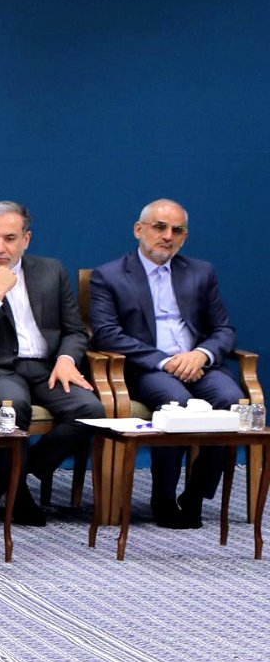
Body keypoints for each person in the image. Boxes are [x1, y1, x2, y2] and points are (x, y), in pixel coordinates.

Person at [0, 201, 103, 525]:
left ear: (26, 239)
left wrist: (67, 359)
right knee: (9, 405)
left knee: (91, 410)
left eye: (9, 238)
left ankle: (9, 479)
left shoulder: (51, 271)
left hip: (48, 369)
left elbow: (74, 329)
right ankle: (17, 491)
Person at [90, 198, 244, 528]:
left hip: (199, 364)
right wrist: (165, 361)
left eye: (177, 230)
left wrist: (201, 354)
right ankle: (163, 496)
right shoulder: (110, 275)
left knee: (233, 403)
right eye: (160, 227)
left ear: (184, 237)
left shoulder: (200, 272)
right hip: (148, 368)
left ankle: (196, 494)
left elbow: (223, 329)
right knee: (179, 405)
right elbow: (106, 335)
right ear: (139, 230)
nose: (167, 236)